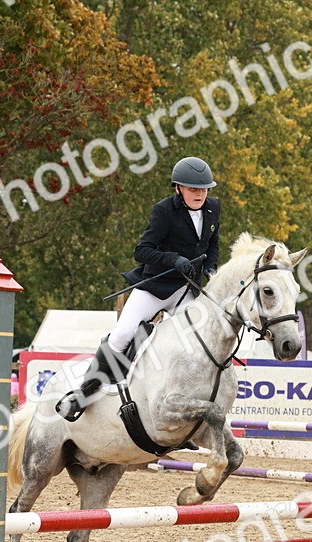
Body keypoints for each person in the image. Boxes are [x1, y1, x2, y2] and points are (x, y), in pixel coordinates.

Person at [56, 156, 221, 421]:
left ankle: (184, 406)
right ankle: (83, 394)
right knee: (122, 334)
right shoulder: (163, 211)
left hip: (186, 290)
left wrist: (211, 267)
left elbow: (213, 245)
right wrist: (172, 259)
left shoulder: (213, 208)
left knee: (195, 341)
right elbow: (142, 251)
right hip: (155, 286)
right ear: (178, 188)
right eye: (194, 189)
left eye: (204, 189)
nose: (200, 194)